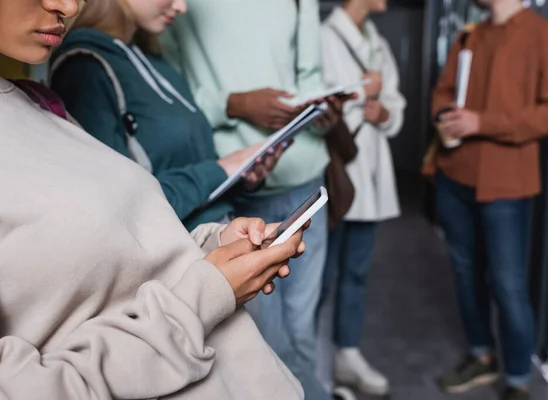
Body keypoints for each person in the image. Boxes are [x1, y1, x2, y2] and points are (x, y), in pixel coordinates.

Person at [0, 0, 310, 398]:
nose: (69, 5)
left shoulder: (37, 102)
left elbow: (116, 256)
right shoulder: (85, 67)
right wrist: (205, 293)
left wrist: (211, 246)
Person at [161, 1, 345, 398]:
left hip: (304, 173)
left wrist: (322, 107)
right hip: (232, 185)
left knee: (302, 328)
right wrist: (234, 103)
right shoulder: (173, 6)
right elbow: (171, 94)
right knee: (259, 341)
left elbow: (309, 76)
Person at [427, 1, 548, 399]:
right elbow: (441, 92)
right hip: (455, 176)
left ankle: (516, 380)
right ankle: (481, 356)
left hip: (507, 184)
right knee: (464, 272)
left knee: (509, 285)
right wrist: (444, 114)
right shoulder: (468, 36)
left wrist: (482, 122)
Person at [49, 0, 286, 231]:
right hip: (179, 259)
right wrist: (220, 169)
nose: (181, 7)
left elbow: (190, 169)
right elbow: (119, 208)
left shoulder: (151, 57)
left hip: (221, 236)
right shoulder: (84, 68)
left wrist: (242, 177)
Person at [319, 0, 406, 397]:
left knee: (356, 273)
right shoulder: (322, 37)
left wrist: (383, 114)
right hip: (335, 174)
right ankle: (313, 363)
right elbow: (313, 103)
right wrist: (361, 92)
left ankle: (347, 355)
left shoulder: (379, 42)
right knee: (318, 278)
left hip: (370, 177)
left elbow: (396, 104)